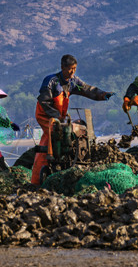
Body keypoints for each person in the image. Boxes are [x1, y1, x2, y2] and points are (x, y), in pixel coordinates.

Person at [31, 54, 114, 185]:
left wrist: (102, 94)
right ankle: (38, 179)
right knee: (51, 140)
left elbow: (87, 89)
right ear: (62, 67)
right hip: (46, 115)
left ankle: (61, 165)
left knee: (62, 137)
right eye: (70, 68)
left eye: (74, 68)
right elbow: (44, 102)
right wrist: (54, 115)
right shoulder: (51, 81)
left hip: (59, 117)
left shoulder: (73, 81)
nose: (72, 71)